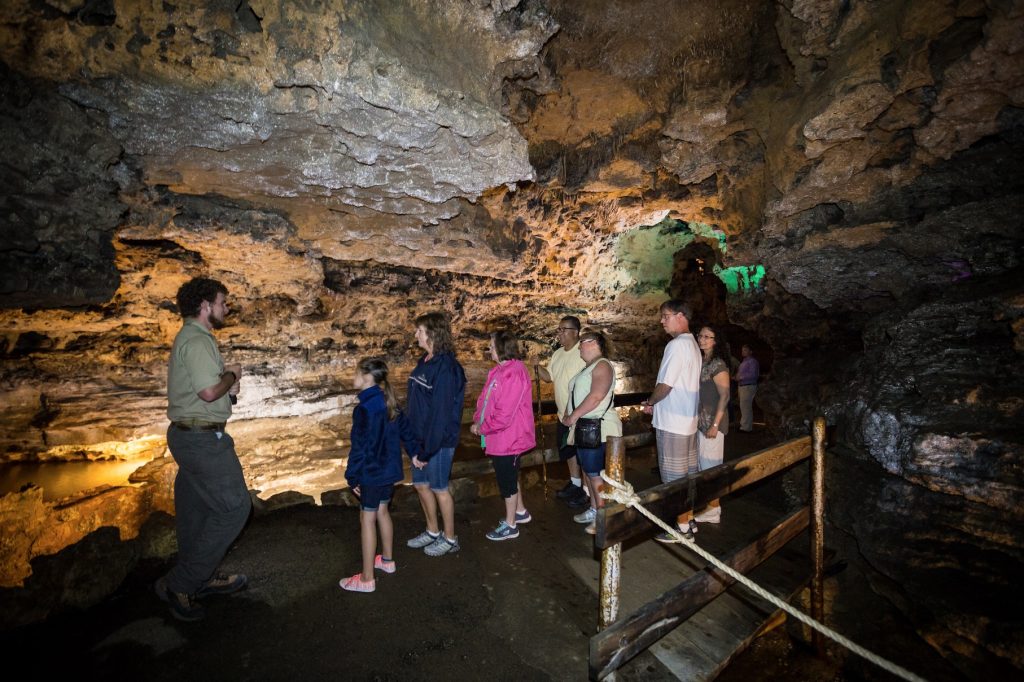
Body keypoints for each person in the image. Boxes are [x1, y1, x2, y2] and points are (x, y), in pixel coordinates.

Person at [156, 277, 250, 621]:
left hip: (190, 434)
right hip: (201, 440)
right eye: (222, 302)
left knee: (196, 511)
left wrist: (229, 388)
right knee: (234, 507)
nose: (227, 308)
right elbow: (209, 392)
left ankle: (200, 576)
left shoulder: (196, 339)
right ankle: (180, 583)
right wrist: (230, 375)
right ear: (205, 306)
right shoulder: (196, 341)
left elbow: (211, 392)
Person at [340, 358, 421, 593]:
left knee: (367, 518)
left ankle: (366, 579)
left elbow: (360, 447)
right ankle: (387, 561)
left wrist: (352, 476)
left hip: (371, 473)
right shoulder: (388, 400)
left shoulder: (364, 408)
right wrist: (415, 452)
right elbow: (405, 430)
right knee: (383, 512)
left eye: (356, 372)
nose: (352, 376)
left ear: (366, 377)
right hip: (389, 471)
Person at [405, 312, 467, 557]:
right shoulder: (425, 361)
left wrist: (426, 450)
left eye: (419, 331)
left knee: (439, 488)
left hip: (438, 443)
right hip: (420, 441)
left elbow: (440, 414)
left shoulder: (447, 368)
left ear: (431, 333)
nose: (416, 335)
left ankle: (451, 538)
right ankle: (432, 531)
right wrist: (413, 442)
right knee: (421, 486)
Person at [641, 300, 701, 541]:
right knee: (688, 476)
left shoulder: (676, 346)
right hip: (687, 422)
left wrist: (650, 402)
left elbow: (665, 385)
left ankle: (682, 529)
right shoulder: (693, 344)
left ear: (680, 315)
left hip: (673, 423)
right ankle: (689, 519)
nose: (661, 321)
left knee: (673, 478)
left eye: (665, 316)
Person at [471, 331, 536, 541]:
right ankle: (520, 512)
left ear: (501, 347)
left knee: (506, 480)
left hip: (509, 438)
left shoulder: (514, 372)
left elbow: (505, 413)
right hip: (500, 437)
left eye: (491, 345)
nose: (488, 348)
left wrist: (483, 428)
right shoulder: (500, 371)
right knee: (510, 474)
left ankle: (510, 525)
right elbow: (486, 400)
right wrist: (478, 420)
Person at [561, 330, 622, 535]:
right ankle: (595, 509)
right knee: (588, 471)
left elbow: (596, 396)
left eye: (582, 343)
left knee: (595, 474)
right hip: (586, 427)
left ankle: (603, 518)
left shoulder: (602, 365)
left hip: (598, 428)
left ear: (595, 343)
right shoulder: (590, 367)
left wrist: (573, 416)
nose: (579, 346)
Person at [536, 315, 588, 508]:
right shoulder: (557, 354)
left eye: (563, 330)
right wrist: (536, 366)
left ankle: (585, 491)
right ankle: (575, 484)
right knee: (567, 451)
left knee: (582, 453)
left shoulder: (582, 352)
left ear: (575, 332)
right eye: (558, 330)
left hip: (580, 415)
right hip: (562, 415)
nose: (559, 333)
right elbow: (549, 377)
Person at [694, 326, 730, 525]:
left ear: (716, 341)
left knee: (711, 467)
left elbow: (725, 395)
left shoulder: (718, 364)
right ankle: (709, 505)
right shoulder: (702, 362)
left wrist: (715, 424)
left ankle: (714, 509)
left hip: (712, 424)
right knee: (703, 467)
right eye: (700, 335)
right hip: (701, 423)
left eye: (708, 336)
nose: (702, 339)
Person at [735, 344, 760, 432]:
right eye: (742, 350)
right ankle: (745, 425)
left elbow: (753, 375)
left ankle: (746, 427)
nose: (743, 352)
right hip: (742, 386)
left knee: (746, 406)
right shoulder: (744, 362)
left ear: (750, 351)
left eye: (745, 350)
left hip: (748, 386)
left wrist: (740, 377)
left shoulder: (752, 362)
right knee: (744, 406)